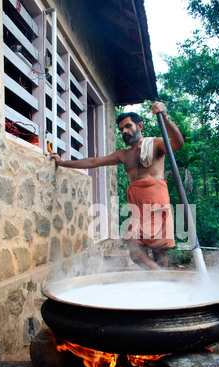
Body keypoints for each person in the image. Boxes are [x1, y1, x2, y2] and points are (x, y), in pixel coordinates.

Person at [51, 101, 184, 270]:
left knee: (159, 252)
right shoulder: (124, 155)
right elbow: (93, 161)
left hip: (156, 204)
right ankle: (162, 278)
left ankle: (162, 286)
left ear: (140, 125)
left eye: (128, 126)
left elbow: (177, 143)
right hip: (137, 208)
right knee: (134, 248)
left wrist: (165, 117)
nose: (125, 132)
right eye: (121, 129)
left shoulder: (156, 144)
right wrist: (63, 163)